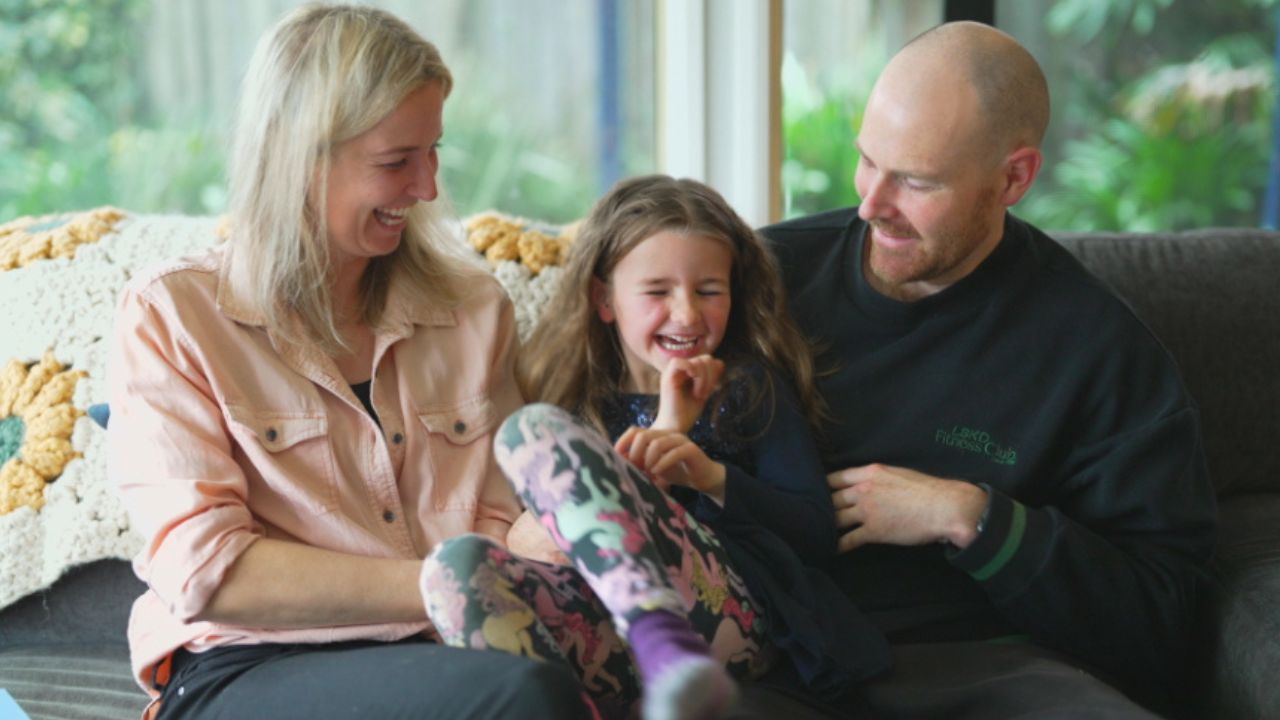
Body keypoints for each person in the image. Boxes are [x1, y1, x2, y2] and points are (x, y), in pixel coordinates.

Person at [106, 5, 591, 719]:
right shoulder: (172, 315)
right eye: (396, 161)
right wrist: (445, 582)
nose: (427, 188)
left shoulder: (474, 312)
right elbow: (209, 571)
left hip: (445, 654)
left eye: (433, 151)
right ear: (299, 156)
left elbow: (500, 523)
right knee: (520, 697)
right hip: (248, 662)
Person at [762, 20, 1218, 719]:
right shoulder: (762, 278)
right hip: (774, 650)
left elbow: (1167, 619)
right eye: (867, 160)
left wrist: (972, 517)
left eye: (916, 181)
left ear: (1014, 177)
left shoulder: (1099, 352)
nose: (871, 205)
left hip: (988, 666)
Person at [420, 175, 890, 720]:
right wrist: (658, 437)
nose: (687, 313)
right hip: (601, 625)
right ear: (604, 299)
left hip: (732, 613)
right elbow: (544, 538)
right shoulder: (576, 399)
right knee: (453, 567)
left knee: (531, 430)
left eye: (708, 290)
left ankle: (666, 646)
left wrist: (711, 478)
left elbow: (815, 533)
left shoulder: (745, 388)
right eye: (658, 291)